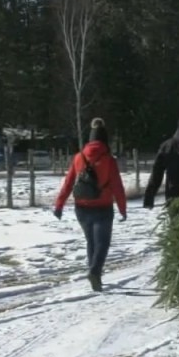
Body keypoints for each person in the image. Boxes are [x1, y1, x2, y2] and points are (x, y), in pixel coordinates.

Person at [53, 118, 128, 292]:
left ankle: (95, 276)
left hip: (82, 207)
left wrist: (59, 205)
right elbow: (117, 186)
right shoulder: (109, 159)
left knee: (91, 242)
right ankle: (95, 272)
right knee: (102, 242)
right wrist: (122, 209)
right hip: (103, 207)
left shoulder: (79, 157)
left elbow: (68, 182)